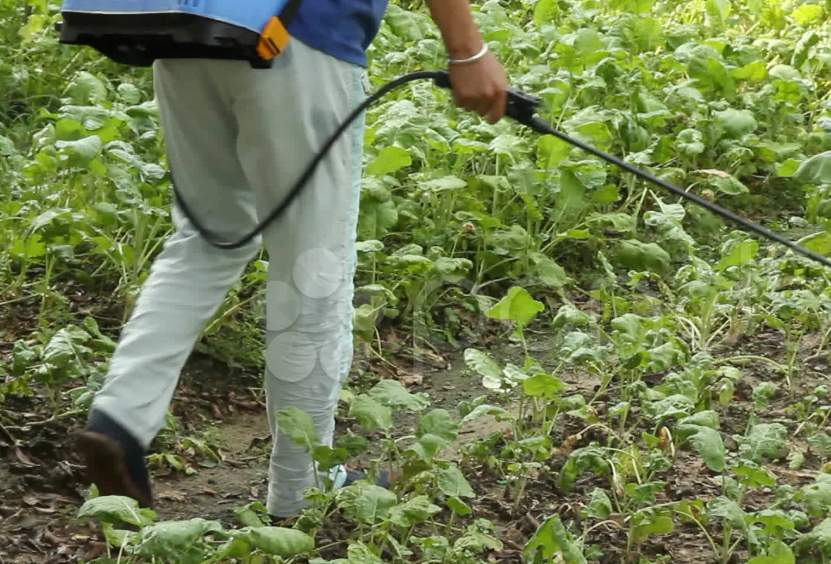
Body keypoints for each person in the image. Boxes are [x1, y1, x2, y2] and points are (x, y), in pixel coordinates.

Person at [72, 0, 509, 522]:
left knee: (208, 238)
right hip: (299, 34)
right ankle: (302, 488)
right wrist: (468, 50)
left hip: (190, 31)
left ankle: (120, 417)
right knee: (312, 263)